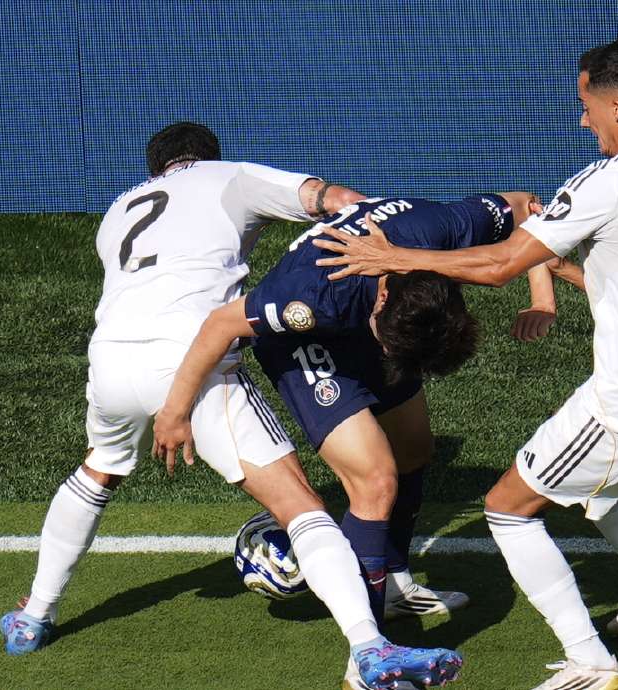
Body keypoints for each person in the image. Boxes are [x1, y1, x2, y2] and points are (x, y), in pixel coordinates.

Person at [314, 40, 618, 690]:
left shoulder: (609, 180)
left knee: (508, 506)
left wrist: (398, 259)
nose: (582, 121)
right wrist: (558, 270)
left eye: (587, 107)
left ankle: (592, 663)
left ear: (616, 105)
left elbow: (500, 262)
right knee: (600, 478)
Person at [0, 122, 461, 690]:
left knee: (98, 470)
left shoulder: (118, 208)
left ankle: (33, 616)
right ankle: (370, 649)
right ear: (206, 157)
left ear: (156, 169)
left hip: (110, 359)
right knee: (300, 506)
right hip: (190, 358)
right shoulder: (230, 177)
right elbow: (338, 203)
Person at [153, 191, 537, 689]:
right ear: (381, 299)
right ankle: (366, 655)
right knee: (375, 483)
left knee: (415, 450)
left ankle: (393, 584)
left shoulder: (440, 229)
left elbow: (528, 209)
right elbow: (220, 324)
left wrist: (541, 298)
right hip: (307, 345)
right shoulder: (308, 297)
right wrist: (175, 411)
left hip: (366, 323)